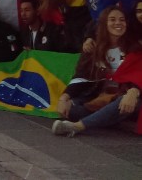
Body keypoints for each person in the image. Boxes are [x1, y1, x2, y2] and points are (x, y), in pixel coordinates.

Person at [52, 7, 140, 137]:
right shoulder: (93, 48)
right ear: (104, 23)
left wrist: (134, 91)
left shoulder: (135, 48)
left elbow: (139, 75)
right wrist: (64, 98)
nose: (118, 23)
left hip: (128, 96)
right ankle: (108, 119)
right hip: (100, 96)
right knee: (71, 109)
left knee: (125, 102)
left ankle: (77, 126)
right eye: (112, 19)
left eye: (122, 20)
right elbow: (81, 77)